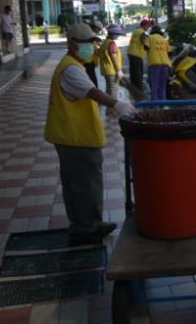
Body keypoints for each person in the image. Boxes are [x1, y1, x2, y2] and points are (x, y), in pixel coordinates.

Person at [44, 23, 136, 244]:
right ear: (71, 43)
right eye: (85, 43)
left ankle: (86, 224)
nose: (90, 47)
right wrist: (118, 104)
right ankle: (87, 227)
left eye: (91, 42)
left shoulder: (74, 64)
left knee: (81, 182)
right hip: (74, 137)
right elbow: (93, 92)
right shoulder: (71, 69)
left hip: (75, 136)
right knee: (83, 183)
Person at [99, 24, 126, 99]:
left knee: (109, 90)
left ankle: (107, 106)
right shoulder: (111, 44)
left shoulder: (105, 42)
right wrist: (119, 70)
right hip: (112, 71)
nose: (118, 35)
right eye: (117, 34)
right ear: (113, 34)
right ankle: (111, 109)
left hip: (106, 70)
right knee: (113, 92)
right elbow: (114, 57)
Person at [146, 26, 171, 100]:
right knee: (162, 86)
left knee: (154, 85)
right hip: (165, 64)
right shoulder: (164, 40)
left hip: (154, 64)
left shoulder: (150, 37)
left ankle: (155, 105)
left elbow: (145, 47)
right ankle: (163, 104)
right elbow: (169, 52)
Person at [127, 19, 151, 89]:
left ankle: (133, 87)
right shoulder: (142, 33)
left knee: (133, 73)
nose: (148, 28)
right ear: (144, 25)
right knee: (138, 74)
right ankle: (138, 89)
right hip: (136, 54)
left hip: (131, 53)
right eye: (148, 26)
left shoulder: (136, 31)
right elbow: (145, 43)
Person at [84, 19, 103, 87]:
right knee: (92, 80)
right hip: (88, 60)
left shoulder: (90, 34)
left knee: (91, 78)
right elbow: (95, 48)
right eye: (99, 29)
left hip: (90, 60)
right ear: (96, 28)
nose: (99, 31)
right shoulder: (90, 35)